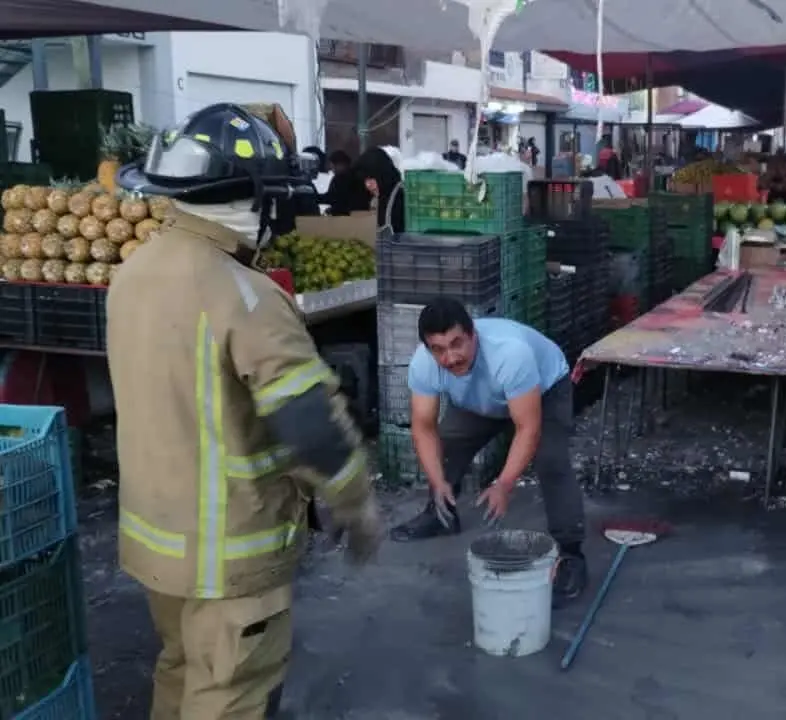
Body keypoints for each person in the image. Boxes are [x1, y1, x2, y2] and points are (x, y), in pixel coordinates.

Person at [110, 102, 383, 718]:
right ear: (251, 198)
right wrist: (354, 501)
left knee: (180, 675)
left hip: (157, 546)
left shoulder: (134, 272)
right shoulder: (245, 295)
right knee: (229, 694)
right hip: (227, 556)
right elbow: (309, 418)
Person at [389, 298, 589, 606]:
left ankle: (571, 553)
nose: (450, 357)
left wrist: (504, 484)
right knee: (447, 444)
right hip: (480, 401)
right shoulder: (423, 363)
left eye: (457, 344)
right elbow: (423, 427)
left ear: (473, 335)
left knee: (551, 461)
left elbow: (527, 429)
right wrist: (437, 479)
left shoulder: (510, 354)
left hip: (544, 390)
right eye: (438, 349)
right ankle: (440, 513)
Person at [353, 146, 405, 233]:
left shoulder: (396, 195)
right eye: (366, 180)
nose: (368, 185)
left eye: (371, 179)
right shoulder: (381, 194)